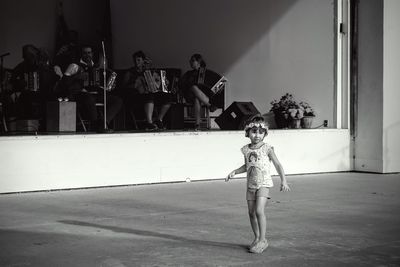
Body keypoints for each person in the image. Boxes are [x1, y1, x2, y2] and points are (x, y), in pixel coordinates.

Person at [226, 115, 290, 253]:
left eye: (261, 132)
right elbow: (247, 165)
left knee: (259, 211)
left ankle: (263, 239)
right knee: (251, 212)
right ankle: (256, 238)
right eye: (254, 132)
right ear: (247, 133)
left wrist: (283, 180)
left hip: (264, 183)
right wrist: (235, 172)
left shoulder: (267, 148)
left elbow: (278, 164)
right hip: (250, 185)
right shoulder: (246, 149)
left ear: (265, 134)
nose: (257, 135)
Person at [56, 45, 122, 132]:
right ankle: (95, 125)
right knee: (88, 98)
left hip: (96, 94)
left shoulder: (97, 66)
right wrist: (77, 76)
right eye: (85, 53)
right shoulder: (74, 66)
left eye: (89, 52)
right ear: (81, 54)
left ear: (92, 54)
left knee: (117, 100)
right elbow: (64, 82)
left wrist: (109, 86)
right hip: (80, 93)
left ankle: (103, 122)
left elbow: (103, 84)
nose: (87, 55)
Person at [121, 50, 172, 130]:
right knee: (149, 96)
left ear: (143, 61)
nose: (136, 62)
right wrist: (134, 84)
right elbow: (123, 87)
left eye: (138, 60)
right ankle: (149, 122)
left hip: (151, 94)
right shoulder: (130, 72)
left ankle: (159, 119)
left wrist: (164, 81)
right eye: (135, 60)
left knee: (167, 97)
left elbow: (160, 81)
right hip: (136, 96)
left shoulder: (149, 71)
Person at [11, 44, 58, 125]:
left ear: (35, 55)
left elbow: (53, 77)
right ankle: (27, 125)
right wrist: (21, 82)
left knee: (49, 100)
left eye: (29, 56)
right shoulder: (24, 65)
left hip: (45, 94)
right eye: (25, 56)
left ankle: (44, 125)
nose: (26, 58)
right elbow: (13, 76)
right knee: (23, 101)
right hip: (30, 94)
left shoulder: (45, 65)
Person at [179, 53, 218, 130]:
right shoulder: (188, 73)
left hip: (202, 96)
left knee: (197, 99)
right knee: (193, 87)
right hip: (189, 95)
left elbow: (218, 85)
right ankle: (210, 105)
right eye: (190, 60)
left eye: (193, 60)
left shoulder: (205, 72)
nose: (190, 62)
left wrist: (216, 90)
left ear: (198, 62)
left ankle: (197, 124)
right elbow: (181, 84)